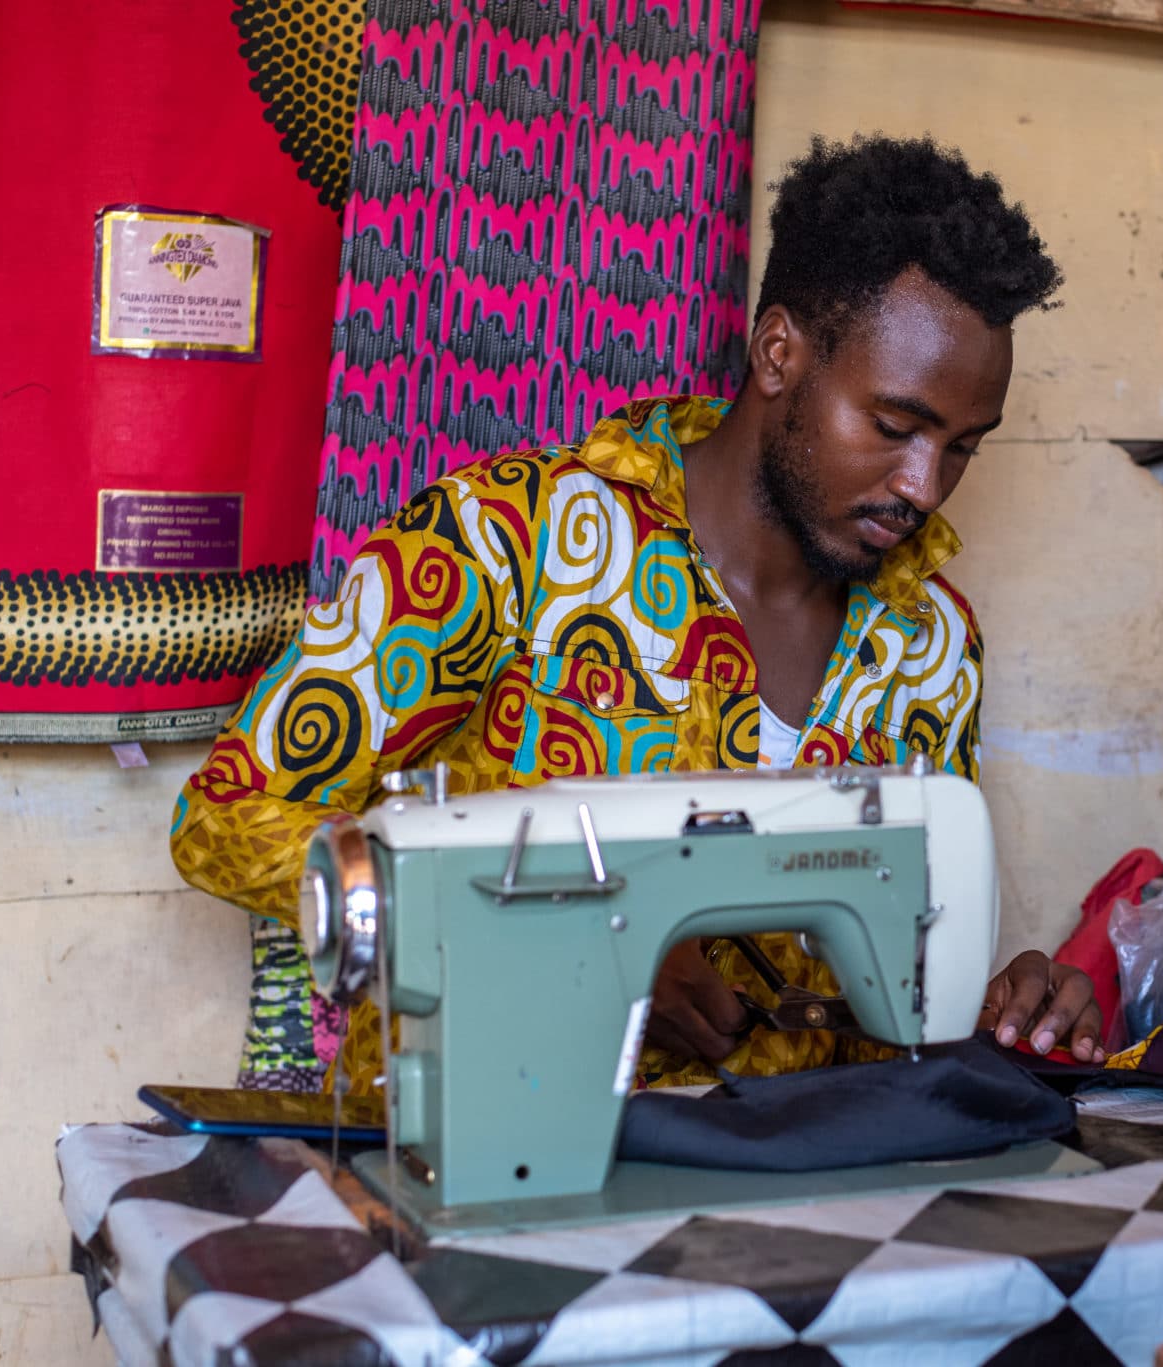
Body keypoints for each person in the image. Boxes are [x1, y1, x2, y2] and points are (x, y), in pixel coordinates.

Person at [171, 134, 1104, 1092]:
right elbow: (228, 817)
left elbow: (898, 981)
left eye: (964, 449)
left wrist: (1001, 1009)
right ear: (779, 351)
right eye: (896, 427)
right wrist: (559, 928)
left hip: (798, 1201)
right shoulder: (507, 542)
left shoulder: (934, 642)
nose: (923, 486)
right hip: (502, 1148)